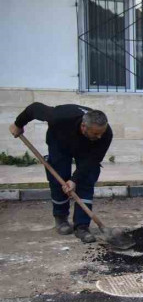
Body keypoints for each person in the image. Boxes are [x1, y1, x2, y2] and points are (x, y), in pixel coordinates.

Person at [9, 103, 112, 244]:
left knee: (87, 178)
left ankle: (82, 226)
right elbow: (34, 108)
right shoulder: (59, 117)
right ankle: (61, 218)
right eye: (95, 133)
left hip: (86, 150)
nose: (100, 136)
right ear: (83, 127)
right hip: (60, 143)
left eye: (101, 133)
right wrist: (18, 124)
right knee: (59, 178)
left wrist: (74, 180)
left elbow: (93, 160)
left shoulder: (105, 133)